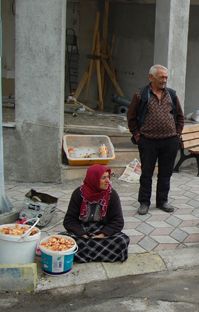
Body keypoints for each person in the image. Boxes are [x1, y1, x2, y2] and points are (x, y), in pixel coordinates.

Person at [127, 64, 185, 215]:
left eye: (166, 77)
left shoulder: (171, 94)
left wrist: (177, 134)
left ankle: (162, 201)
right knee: (146, 173)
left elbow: (180, 116)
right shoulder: (141, 94)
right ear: (151, 77)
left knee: (166, 173)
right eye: (161, 77)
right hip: (148, 141)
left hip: (169, 141)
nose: (164, 80)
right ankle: (144, 202)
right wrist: (137, 135)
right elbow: (131, 117)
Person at [61, 165, 130, 263]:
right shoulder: (78, 193)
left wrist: (102, 235)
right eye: (103, 178)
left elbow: (117, 221)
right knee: (63, 238)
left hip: (102, 229)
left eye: (108, 177)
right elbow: (69, 220)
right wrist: (83, 235)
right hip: (82, 229)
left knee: (122, 240)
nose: (108, 181)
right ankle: (100, 254)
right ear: (94, 179)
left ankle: (82, 255)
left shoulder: (112, 194)